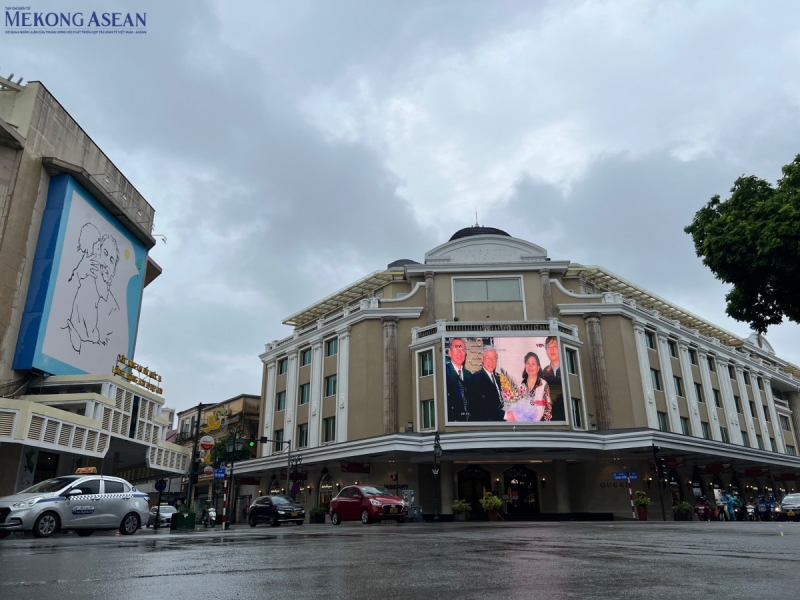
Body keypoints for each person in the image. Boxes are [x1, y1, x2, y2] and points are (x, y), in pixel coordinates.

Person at [505, 352, 552, 422]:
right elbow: (513, 406)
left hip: (538, 428)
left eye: (533, 364)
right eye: (528, 363)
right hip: (522, 427)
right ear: (525, 366)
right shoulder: (520, 384)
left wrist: (539, 427)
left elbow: (548, 411)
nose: (530, 366)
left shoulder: (544, 385)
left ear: (538, 367)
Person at [466, 346, 506, 421]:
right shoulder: (475, 379)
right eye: (488, 358)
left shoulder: (499, 379)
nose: (491, 361)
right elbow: (481, 408)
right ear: (482, 359)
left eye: (494, 358)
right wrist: (504, 415)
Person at [445, 338, 473, 421]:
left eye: (463, 350)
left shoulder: (469, 375)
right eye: (457, 349)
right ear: (449, 352)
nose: (460, 353)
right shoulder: (444, 373)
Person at [541, 336, 565, 421]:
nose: (552, 350)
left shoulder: (567, 369)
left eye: (555, 346)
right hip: (550, 420)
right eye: (548, 347)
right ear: (546, 351)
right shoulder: (543, 373)